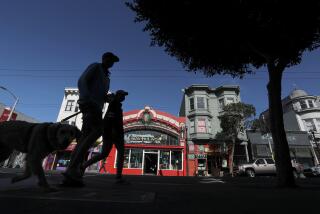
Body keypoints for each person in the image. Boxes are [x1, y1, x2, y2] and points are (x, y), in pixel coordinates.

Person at [61, 52, 119, 187]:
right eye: (110, 59)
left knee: (84, 138)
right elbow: (82, 80)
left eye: (113, 62)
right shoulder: (95, 67)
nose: (111, 63)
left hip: (97, 107)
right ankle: (73, 168)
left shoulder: (107, 78)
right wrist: (85, 98)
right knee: (98, 130)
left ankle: (71, 171)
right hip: (89, 104)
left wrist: (109, 98)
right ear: (104, 58)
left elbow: (103, 95)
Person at [81, 90, 129, 184]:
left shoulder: (115, 104)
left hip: (110, 133)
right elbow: (110, 119)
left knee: (104, 154)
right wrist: (113, 132)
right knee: (120, 153)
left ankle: (83, 166)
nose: (124, 98)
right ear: (118, 95)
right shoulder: (114, 104)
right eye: (122, 95)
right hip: (114, 133)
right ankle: (118, 177)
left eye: (124, 96)